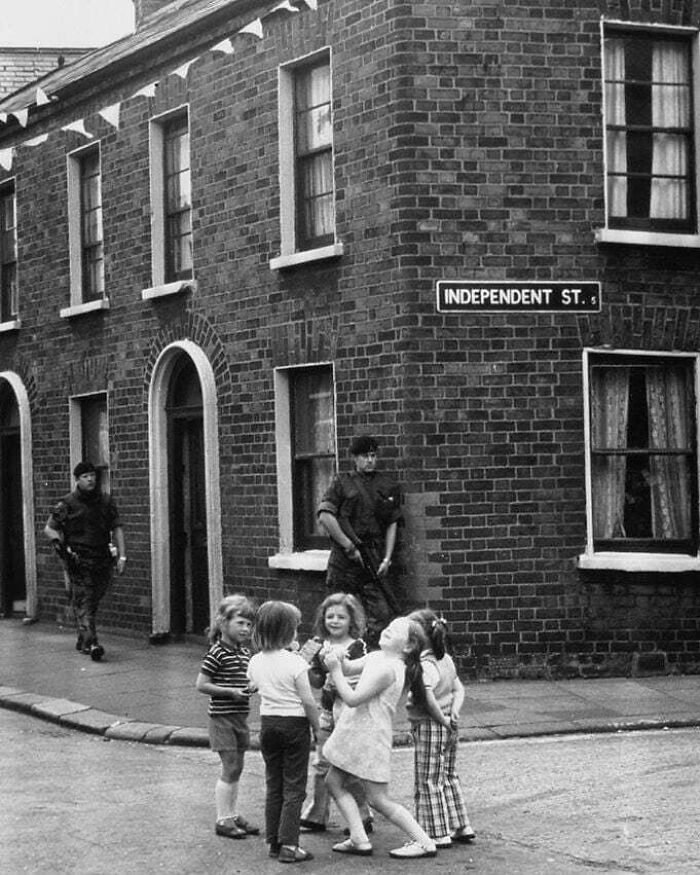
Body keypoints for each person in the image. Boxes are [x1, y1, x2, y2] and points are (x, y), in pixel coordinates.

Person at [323, 615, 438, 860]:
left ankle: (425, 842)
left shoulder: (390, 669)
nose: (386, 629)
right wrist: (340, 658)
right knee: (333, 781)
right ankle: (358, 837)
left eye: (395, 630)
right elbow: (349, 668)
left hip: (370, 736)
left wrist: (334, 671)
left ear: (407, 646)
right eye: (388, 625)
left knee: (378, 799)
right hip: (355, 732)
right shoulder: (377, 657)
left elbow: (352, 698)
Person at [247, 601, 321, 864]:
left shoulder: (255, 660)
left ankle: (274, 842)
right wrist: (317, 728)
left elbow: (253, 686)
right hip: (294, 726)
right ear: (288, 632)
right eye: (296, 628)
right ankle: (290, 844)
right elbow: (308, 701)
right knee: (294, 787)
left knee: (274, 784)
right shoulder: (295, 663)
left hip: (268, 724)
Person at [317, 434, 402, 648]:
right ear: (355, 458)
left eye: (373, 455)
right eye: (365, 456)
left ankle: (364, 655)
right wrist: (348, 546)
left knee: (382, 613)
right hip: (345, 562)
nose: (370, 460)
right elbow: (325, 516)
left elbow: (393, 522)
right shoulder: (342, 481)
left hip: (372, 557)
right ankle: (333, 662)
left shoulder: (387, 484)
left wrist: (387, 558)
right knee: (337, 615)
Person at [298, 592, 372, 835]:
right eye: (330, 616)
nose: (335, 621)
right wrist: (307, 667)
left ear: (352, 620)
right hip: (327, 714)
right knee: (321, 764)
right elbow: (317, 682)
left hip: (349, 714)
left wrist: (336, 677)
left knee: (347, 767)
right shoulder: (321, 644)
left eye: (341, 616)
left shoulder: (357, 647)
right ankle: (317, 814)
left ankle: (362, 814)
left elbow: (358, 682)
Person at [406, 609, 476, 848]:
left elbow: (427, 699)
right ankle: (461, 825)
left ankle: (436, 832)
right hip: (449, 723)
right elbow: (459, 689)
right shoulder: (445, 659)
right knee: (447, 774)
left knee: (428, 779)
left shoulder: (425, 666)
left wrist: (442, 720)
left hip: (430, 725)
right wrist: (453, 714)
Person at [44, 461, 126, 661]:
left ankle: (83, 639)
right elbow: (50, 528)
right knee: (84, 602)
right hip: (79, 559)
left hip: (102, 558)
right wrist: (58, 544)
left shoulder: (106, 501)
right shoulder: (67, 503)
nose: (90, 479)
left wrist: (122, 556)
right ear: (77, 480)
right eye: (85, 476)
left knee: (92, 600)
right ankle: (92, 644)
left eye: (92, 476)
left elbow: (117, 528)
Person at [196, 594, 259, 840]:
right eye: (240, 623)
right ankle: (223, 818)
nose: (245, 628)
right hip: (222, 718)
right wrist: (230, 692)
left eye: (248, 624)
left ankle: (232, 814)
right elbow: (201, 684)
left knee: (238, 767)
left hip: (239, 718)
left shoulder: (244, 653)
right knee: (230, 767)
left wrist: (250, 686)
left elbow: (244, 679)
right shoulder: (217, 653)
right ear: (224, 623)